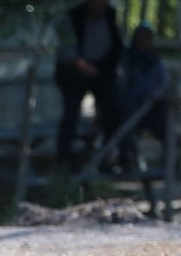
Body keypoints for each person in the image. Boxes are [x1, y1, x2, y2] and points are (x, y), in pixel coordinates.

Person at [54, 0, 125, 171]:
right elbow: (66, 49)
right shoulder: (73, 16)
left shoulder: (111, 15)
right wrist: (83, 66)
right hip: (74, 72)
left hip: (102, 71)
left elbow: (117, 46)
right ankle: (63, 161)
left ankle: (109, 158)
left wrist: (104, 68)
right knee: (70, 117)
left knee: (112, 112)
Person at [119, 22, 170, 171]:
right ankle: (126, 161)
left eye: (146, 38)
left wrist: (154, 96)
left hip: (152, 108)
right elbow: (123, 85)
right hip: (130, 108)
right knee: (123, 125)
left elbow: (162, 84)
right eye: (140, 38)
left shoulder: (155, 61)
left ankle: (169, 162)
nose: (143, 42)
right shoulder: (126, 59)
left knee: (166, 124)